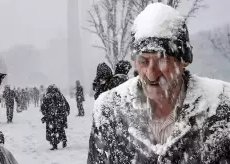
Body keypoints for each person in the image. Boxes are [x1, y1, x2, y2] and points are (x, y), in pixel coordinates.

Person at [87, 3, 230, 164]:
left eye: (163, 60)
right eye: (143, 60)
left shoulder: (222, 108)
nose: (151, 74)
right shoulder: (109, 110)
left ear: (184, 61)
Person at [41, 85, 70, 150]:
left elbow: (43, 107)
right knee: (60, 129)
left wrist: (46, 114)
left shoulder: (48, 96)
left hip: (52, 117)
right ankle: (63, 140)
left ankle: (55, 144)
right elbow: (66, 105)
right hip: (59, 116)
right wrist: (65, 112)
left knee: (52, 130)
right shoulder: (60, 96)